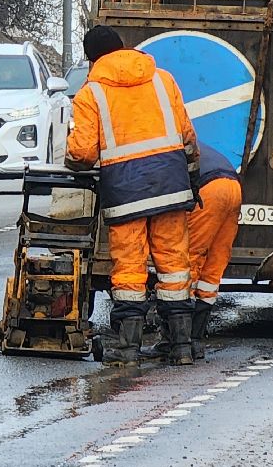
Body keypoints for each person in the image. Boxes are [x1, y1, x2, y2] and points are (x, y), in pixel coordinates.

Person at [66, 25, 200, 366]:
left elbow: (81, 153)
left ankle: (128, 351)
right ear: (123, 48)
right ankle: (181, 347)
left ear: (93, 58)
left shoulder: (91, 93)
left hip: (126, 191)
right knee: (173, 266)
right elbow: (186, 134)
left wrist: (74, 160)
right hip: (171, 184)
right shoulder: (162, 79)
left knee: (129, 270)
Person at [185, 146, 242, 359]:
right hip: (233, 187)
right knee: (214, 265)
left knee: (190, 258)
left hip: (209, 189)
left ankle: (180, 339)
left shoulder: (165, 148)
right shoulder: (195, 144)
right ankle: (196, 339)